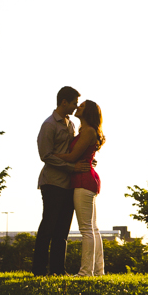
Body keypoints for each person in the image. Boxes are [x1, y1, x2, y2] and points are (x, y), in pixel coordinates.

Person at [32, 86, 89, 276]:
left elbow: (72, 151)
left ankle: (58, 270)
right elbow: (45, 155)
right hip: (52, 182)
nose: (75, 107)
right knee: (48, 226)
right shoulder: (49, 125)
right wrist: (72, 167)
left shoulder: (70, 124)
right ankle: (39, 270)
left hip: (68, 184)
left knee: (62, 230)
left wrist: (84, 160)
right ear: (64, 102)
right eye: (74, 103)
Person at [55, 99, 105, 276]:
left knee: (86, 229)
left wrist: (50, 155)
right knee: (93, 228)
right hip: (87, 180)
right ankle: (98, 270)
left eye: (82, 106)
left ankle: (86, 271)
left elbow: (72, 156)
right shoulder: (86, 131)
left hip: (83, 181)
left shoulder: (88, 131)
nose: (78, 107)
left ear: (88, 112)